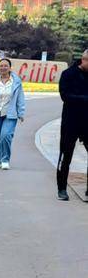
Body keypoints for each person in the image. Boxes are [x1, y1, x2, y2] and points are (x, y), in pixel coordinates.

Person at [56, 49, 88, 201]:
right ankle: (62, 188)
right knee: (66, 155)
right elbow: (65, 96)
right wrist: (85, 99)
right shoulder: (68, 74)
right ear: (84, 59)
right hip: (71, 120)